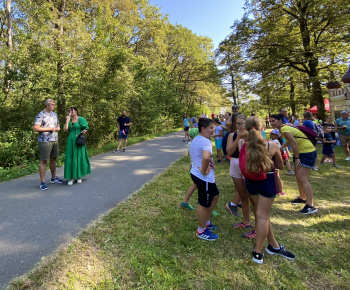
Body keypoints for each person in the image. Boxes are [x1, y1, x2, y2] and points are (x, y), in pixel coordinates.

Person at [240, 116, 295, 264]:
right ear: (262, 128)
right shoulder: (271, 145)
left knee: (261, 214)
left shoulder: (243, 144)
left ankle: (274, 245)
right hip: (267, 181)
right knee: (263, 216)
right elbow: (280, 166)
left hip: (250, 182)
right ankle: (258, 251)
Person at [270, 114, 317, 214]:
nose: (271, 123)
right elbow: (289, 141)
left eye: (273, 121)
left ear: (280, 120)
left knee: (302, 178)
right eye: (270, 121)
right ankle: (302, 197)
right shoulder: (284, 128)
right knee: (298, 176)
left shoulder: (284, 129)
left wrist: (296, 158)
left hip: (307, 153)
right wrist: (281, 148)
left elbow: (294, 143)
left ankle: (311, 205)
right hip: (302, 153)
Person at [226, 114, 256, 239]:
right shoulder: (232, 136)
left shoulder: (253, 136)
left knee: (253, 198)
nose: (240, 126)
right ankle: (246, 222)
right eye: (238, 123)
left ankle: (257, 227)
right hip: (235, 164)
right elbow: (229, 152)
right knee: (242, 195)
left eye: (242, 123)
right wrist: (238, 138)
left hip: (248, 165)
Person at [190, 118, 219, 241]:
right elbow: (206, 157)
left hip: (197, 174)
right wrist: (203, 169)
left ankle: (207, 221)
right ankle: (201, 230)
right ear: (203, 129)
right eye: (211, 128)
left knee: (215, 195)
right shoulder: (206, 142)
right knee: (204, 203)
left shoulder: (197, 138)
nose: (214, 130)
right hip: (203, 177)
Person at [33, 98, 63, 190]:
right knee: (43, 161)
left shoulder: (54, 114)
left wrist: (57, 128)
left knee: (53, 159)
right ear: (47, 105)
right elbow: (35, 128)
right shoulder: (41, 115)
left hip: (54, 139)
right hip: (44, 141)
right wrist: (48, 129)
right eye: (52, 104)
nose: (54, 106)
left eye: (54, 104)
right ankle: (42, 182)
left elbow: (58, 125)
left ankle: (53, 178)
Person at [63, 107, 91, 185]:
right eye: (69, 110)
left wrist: (84, 131)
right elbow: (65, 130)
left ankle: (79, 176)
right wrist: (67, 121)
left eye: (72, 110)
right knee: (70, 157)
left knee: (79, 156)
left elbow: (86, 128)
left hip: (78, 139)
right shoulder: (69, 120)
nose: (70, 112)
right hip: (70, 140)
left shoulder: (81, 119)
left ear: (76, 111)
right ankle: (71, 177)